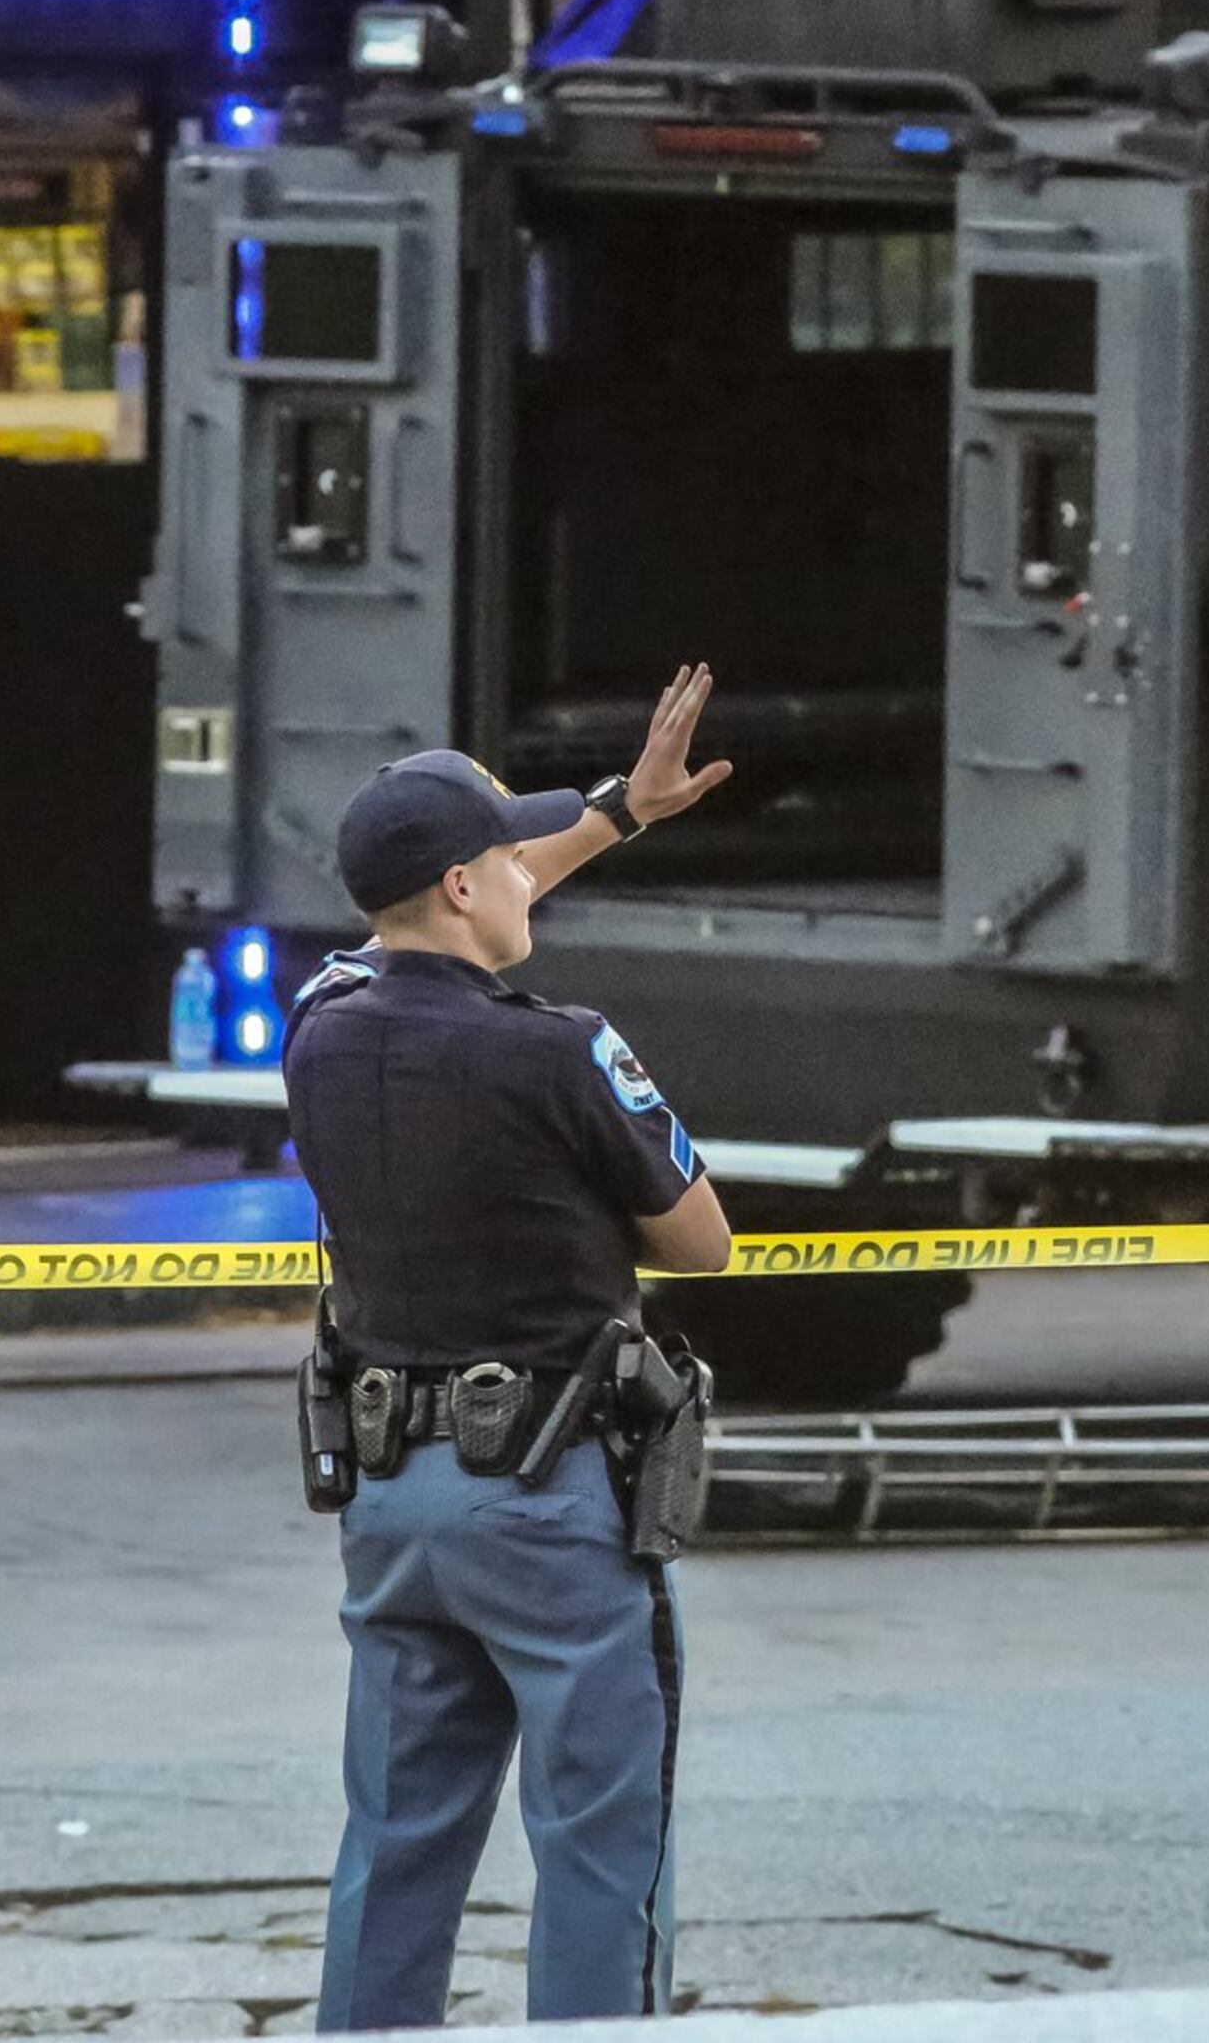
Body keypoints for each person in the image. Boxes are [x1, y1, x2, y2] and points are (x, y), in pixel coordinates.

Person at [290, 665, 739, 2029]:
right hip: (548, 1502)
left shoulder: (320, 1028)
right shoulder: (564, 1050)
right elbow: (701, 1241)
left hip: (392, 1503)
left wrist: (617, 812)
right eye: (507, 858)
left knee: (396, 1844)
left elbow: (446, 896)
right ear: (471, 888)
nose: (527, 875)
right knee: (602, 1851)